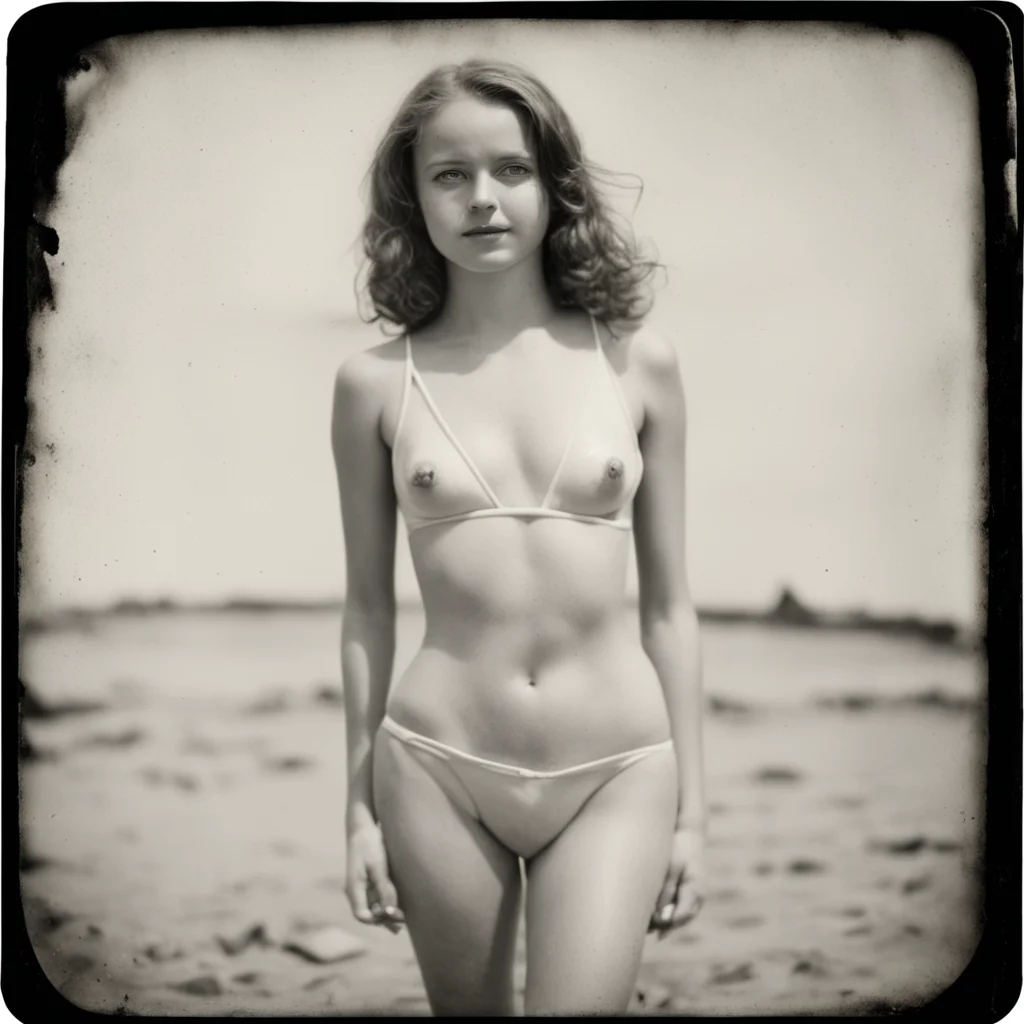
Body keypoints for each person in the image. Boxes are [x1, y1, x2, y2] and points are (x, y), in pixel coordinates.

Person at [330, 58, 705, 1017]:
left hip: (617, 768)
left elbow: (669, 606)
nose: (483, 199)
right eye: (449, 174)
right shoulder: (376, 382)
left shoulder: (638, 364)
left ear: (555, 184)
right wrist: (358, 809)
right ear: (413, 199)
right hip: (436, 763)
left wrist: (694, 817)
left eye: (512, 169)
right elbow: (368, 607)